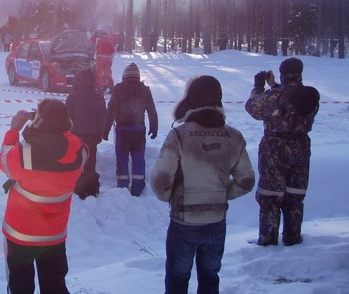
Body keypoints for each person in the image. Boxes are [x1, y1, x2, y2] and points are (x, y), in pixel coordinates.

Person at [150, 75, 255, 294]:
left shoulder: (179, 135)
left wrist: (173, 197)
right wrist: (221, 194)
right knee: (209, 279)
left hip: (183, 223)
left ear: (191, 100)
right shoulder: (234, 136)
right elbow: (246, 181)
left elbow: (160, 181)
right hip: (217, 222)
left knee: (177, 280)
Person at [0, 99, 88, 294]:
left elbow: (2, 161)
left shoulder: (24, 150)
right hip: (54, 236)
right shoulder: (78, 149)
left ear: (39, 120)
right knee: (54, 286)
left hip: (20, 234)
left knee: (20, 286)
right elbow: (71, 148)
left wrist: (14, 130)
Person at [245, 57, 320, 246]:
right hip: (301, 148)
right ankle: (293, 239)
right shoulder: (310, 96)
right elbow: (290, 100)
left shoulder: (275, 97)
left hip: (274, 149)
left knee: (270, 197)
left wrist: (259, 87)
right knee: (295, 196)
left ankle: (268, 241)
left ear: (282, 74)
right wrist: (274, 85)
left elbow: (253, 108)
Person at [103, 63, 158, 196]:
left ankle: (122, 187)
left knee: (122, 158)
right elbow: (152, 110)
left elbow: (110, 111)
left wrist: (106, 130)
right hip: (139, 129)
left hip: (122, 130)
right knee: (138, 157)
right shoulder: (145, 90)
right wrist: (154, 127)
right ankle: (138, 187)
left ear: (124, 77)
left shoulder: (118, 89)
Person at [65, 68, 107, 198]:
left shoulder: (72, 97)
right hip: (92, 137)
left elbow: (67, 117)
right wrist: (100, 134)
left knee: (76, 164)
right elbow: (102, 117)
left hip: (75, 136)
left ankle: (78, 189)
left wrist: (67, 134)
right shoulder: (99, 97)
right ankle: (92, 190)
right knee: (90, 164)